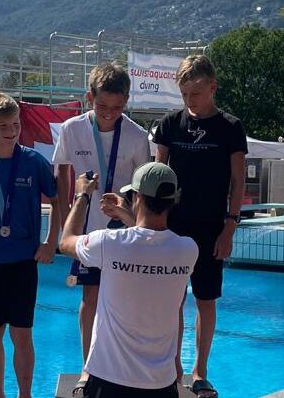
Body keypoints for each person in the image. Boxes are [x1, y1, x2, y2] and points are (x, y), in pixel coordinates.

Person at [151, 55, 247, 398]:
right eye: (184, 94)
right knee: (172, 299)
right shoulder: (170, 124)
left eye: (195, 93)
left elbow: (238, 181)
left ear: (212, 87)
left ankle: (200, 371)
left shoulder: (230, 127)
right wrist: (154, 227)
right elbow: (157, 177)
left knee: (206, 300)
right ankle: (174, 367)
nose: (189, 101)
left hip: (210, 228)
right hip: (173, 227)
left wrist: (229, 227)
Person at [60, 162, 198, 398]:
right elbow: (151, 243)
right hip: (160, 385)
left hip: (108, 381)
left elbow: (66, 242)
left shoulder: (109, 243)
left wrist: (82, 195)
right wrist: (128, 213)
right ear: (173, 199)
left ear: (138, 197)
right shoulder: (187, 250)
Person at [0, 92, 62, 398]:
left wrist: (50, 242)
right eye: (3, 125)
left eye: (15, 124)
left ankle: (24, 395)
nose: (11, 131)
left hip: (23, 261)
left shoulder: (34, 162)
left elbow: (56, 201)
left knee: (22, 334)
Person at [53, 62, 152, 367]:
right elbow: (62, 175)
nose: (109, 113)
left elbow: (142, 190)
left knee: (125, 302)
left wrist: (128, 212)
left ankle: (122, 367)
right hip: (88, 231)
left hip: (123, 232)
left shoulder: (136, 136)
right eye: (102, 106)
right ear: (89, 97)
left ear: (126, 102)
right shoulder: (72, 129)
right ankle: (89, 368)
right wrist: (66, 222)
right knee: (90, 298)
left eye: (117, 107)